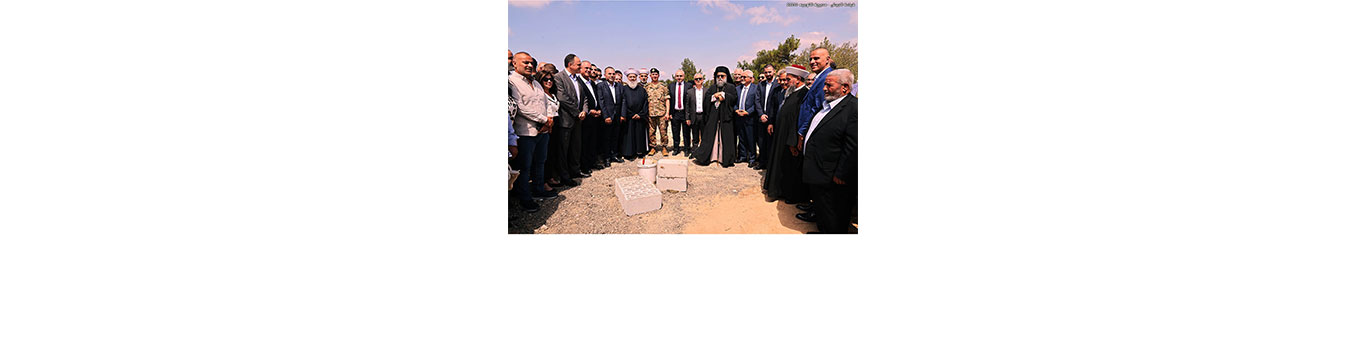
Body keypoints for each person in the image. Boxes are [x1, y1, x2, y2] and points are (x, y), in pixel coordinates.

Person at [797, 69, 857, 234]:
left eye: (829, 85)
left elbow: (853, 146)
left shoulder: (854, 109)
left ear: (845, 88)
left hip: (833, 176)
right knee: (823, 207)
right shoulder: (828, 104)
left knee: (834, 213)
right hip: (820, 171)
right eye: (824, 84)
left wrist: (842, 173)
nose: (824, 88)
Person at [508, 52, 558, 212]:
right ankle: (525, 198)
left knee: (540, 162)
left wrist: (549, 118)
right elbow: (520, 107)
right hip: (526, 132)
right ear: (515, 64)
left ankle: (538, 189)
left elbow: (545, 102)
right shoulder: (512, 81)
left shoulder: (536, 82)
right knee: (525, 167)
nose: (529, 65)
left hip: (543, 132)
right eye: (525, 62)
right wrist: (543, 119)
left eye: (531, 63)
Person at [762, 65, 811, 205]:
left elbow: (799, 120)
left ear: (798, 79)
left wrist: (793, 141)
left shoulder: (804, 94)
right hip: (781, 135)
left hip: (790, 138)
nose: (786, 82)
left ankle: (791, 195)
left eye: (788, 79)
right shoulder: (792, 92)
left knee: (790, 168)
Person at [550, 54, 588, 186]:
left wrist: (584, 110)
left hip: (578, 120)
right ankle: (564, 176)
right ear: (570, 65)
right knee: (563, 150)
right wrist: (577, 112)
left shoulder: (577, 79)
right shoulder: (559, 78)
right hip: (566, 120)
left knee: (575, 148)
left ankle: (575, 171)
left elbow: (584, 98)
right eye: (578, 64)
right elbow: (562, 98)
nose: (580, 66)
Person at [693, 66, 738, 167]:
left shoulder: (731, 87)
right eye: (718, 76)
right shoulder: (712, 88)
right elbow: (706, 100)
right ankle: (712, 157)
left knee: (725, 139)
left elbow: (734, 99)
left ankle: (724, 158)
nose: (720, 78)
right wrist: (714, 96)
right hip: (713, 118)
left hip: (726, 118)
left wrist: (724, 96)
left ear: (726, 76)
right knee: (711, 138)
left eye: (722, 76)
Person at [795, 48, 835, 152]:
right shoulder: (819, 77)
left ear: (827, 59)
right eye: (810, 59)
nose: (812, 62)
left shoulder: (827, 77)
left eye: (816, 58)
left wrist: (802, 131)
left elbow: (817, 108)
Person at [754, 64, 782, 169]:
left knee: (771, 143)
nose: (768, 74)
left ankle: (770, 165)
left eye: (769, 72)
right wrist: (761, 114)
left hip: (772, 119)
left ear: (774, 71)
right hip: (761, 118)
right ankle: (762, 163)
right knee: (761, 142)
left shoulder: (778, 85)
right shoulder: (760, 85)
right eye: (766, 72)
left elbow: (776, 104)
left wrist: (770, 118)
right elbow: (757, 100)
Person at [576, 59, 603, 173]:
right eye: (586, 68)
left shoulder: (592, 83)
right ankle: (584, 166)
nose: (589, 70)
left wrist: (599, 110)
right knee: (584, 143)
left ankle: (592, 162)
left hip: (595, 117)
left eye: (590, 68)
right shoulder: (578, 82)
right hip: (585, 117)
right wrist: (588, 111)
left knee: (593, 141)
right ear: (580, 69)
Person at [618, 69, 649, 159]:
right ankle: (629, 153)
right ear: (627, 78)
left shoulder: (642, 90)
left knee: (639, 135)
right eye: (630, 77)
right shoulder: (623, 89)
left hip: (640, 117)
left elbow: (645, 103)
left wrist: (640, 114)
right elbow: (622, 103)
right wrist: (631, 114)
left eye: (634, 77)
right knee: (629, 136)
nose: (632, 79)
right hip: (628, 117)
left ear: (636, 78)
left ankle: (640, 152)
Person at [596, 67, 624, 164]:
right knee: (606, 138)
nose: (612, 76)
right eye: (609, 74)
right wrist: (605, 116)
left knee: (615, 136)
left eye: (613, 74)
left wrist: (622, 114)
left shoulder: (619, 86)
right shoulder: (600, 86)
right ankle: (607, 157)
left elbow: (623, 100)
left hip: (617, 115)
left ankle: (614, 155)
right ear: (605, 75)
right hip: (607, 116)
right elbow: (601, 101)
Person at [734, 69, 760, 166]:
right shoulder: (738, 89)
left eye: (744, 77)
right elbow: (734, 102)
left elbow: (756, 103)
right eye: (742, 77)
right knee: (741, 138)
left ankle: (752, 158)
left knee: (751, 138)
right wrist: (736, 110)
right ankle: (742, 156)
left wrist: (748, 112)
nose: (742, 78)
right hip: (739, 117)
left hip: (750, 118)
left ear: (750, 78)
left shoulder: (755, 88)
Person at [644, 68, 671, 156]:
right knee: (651, 132)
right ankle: (653, 147)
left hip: (662, 113)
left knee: (663, 132)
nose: (654, 76)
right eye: (653, 74)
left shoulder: (663, 86)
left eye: (656, 74)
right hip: (650, 113)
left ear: (658, 75)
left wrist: (667, 113)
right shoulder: (646, 87)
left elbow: (667, 100)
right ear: (650, 76)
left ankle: (664, 147)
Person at [683, 72, 706, 158]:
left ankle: (703, 154)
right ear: (694, 81)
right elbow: (687, 106)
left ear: (703, 80)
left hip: (704, 116)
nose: (698, 80)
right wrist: (687, 118)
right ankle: (694, 153)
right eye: (696, 79)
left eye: (700, 79)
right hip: (694, 116)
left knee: (704, 136)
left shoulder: (707, 91)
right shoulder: (690, 92)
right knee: (695, 136)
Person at [667, 69, 690, 156]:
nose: (679, 77)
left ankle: (687, 149)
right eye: (677, 76)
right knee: (675, 132)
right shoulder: (671, 86)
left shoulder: (689, 86)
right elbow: (669, 100)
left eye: (681, 76)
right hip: (675, 113)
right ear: (675, 77)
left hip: (685, 113)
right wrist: (669, 113)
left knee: (686, 132)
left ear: (684, 76)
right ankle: (676, 148)